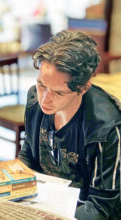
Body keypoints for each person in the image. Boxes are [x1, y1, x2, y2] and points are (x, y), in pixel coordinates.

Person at [19, 30, 121, 220]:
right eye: (41, 85)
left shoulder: (106, 129)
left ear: (84, 87)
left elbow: (102, 207)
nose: (44, 99)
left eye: (58, 92)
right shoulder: (35, 100)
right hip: (43, 204)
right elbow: (28, 155)